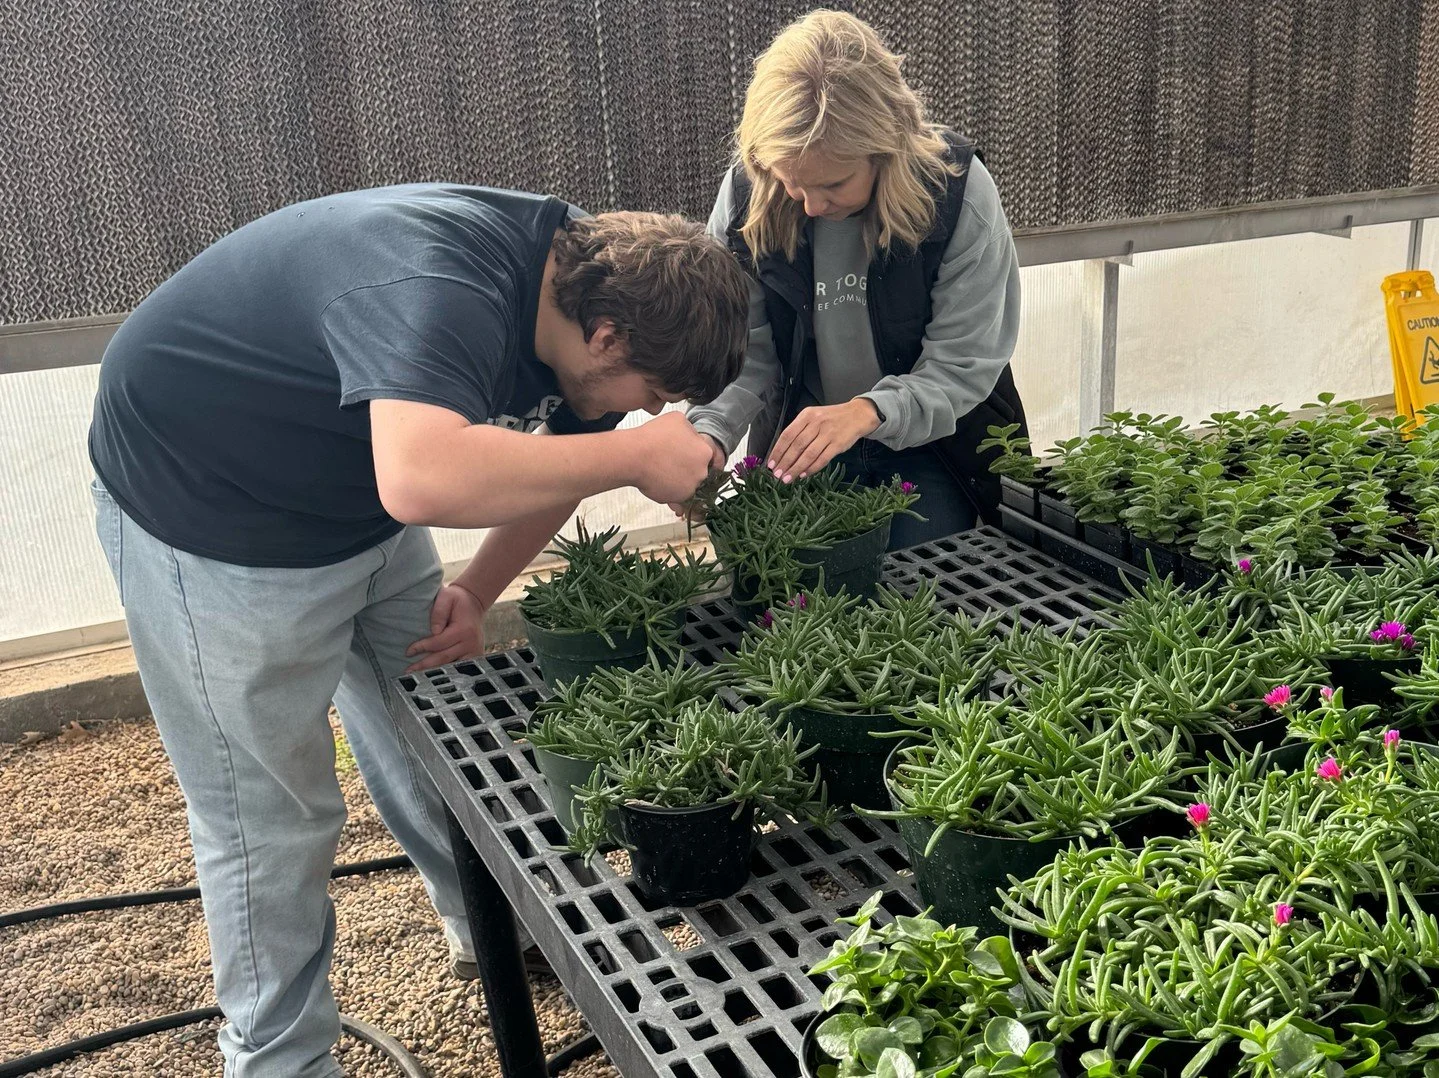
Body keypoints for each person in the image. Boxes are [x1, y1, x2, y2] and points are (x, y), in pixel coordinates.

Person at [87, 183, 748, 1078]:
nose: (643, 415)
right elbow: (419, 476)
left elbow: (555, 464)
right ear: (606, 338)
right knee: (271, 818)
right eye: (651, 393)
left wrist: (476, 589)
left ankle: (487, 924)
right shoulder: (440, 287)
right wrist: (636, 456)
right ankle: (279, 1060)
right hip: (212, 520)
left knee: (438, 728)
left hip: (357, 504)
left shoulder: (587, 300)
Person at [684, 9, 1029, 548]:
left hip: (936, 441)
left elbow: (963, 364)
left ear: (886, 146)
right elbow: (739, 353)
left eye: (834, 184)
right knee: (791, 593)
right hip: (804, 436)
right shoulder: (748, 197)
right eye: (792, 183)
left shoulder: (957, 193)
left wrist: (867, 411)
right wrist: (708, 433)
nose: (812, 205)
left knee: (926, 589)